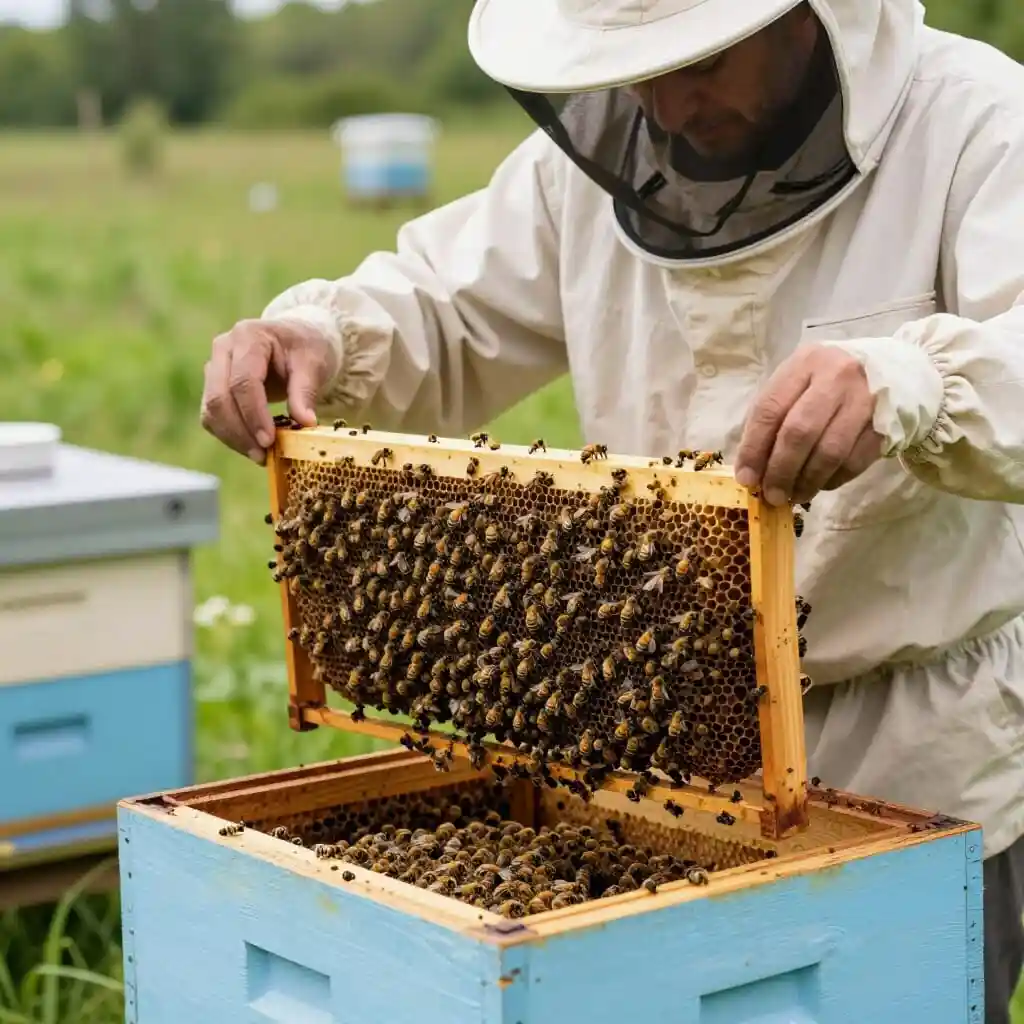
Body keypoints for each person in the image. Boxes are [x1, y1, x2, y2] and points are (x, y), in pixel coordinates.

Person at [199, 1, 1024, 1017]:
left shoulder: (975, 121)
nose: (666, 102)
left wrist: (911, 381)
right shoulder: (582, 174)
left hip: (910, 746)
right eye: (633, 69)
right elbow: (446, 305)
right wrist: (318, 332)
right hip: (655, 736)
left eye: (701, 61)